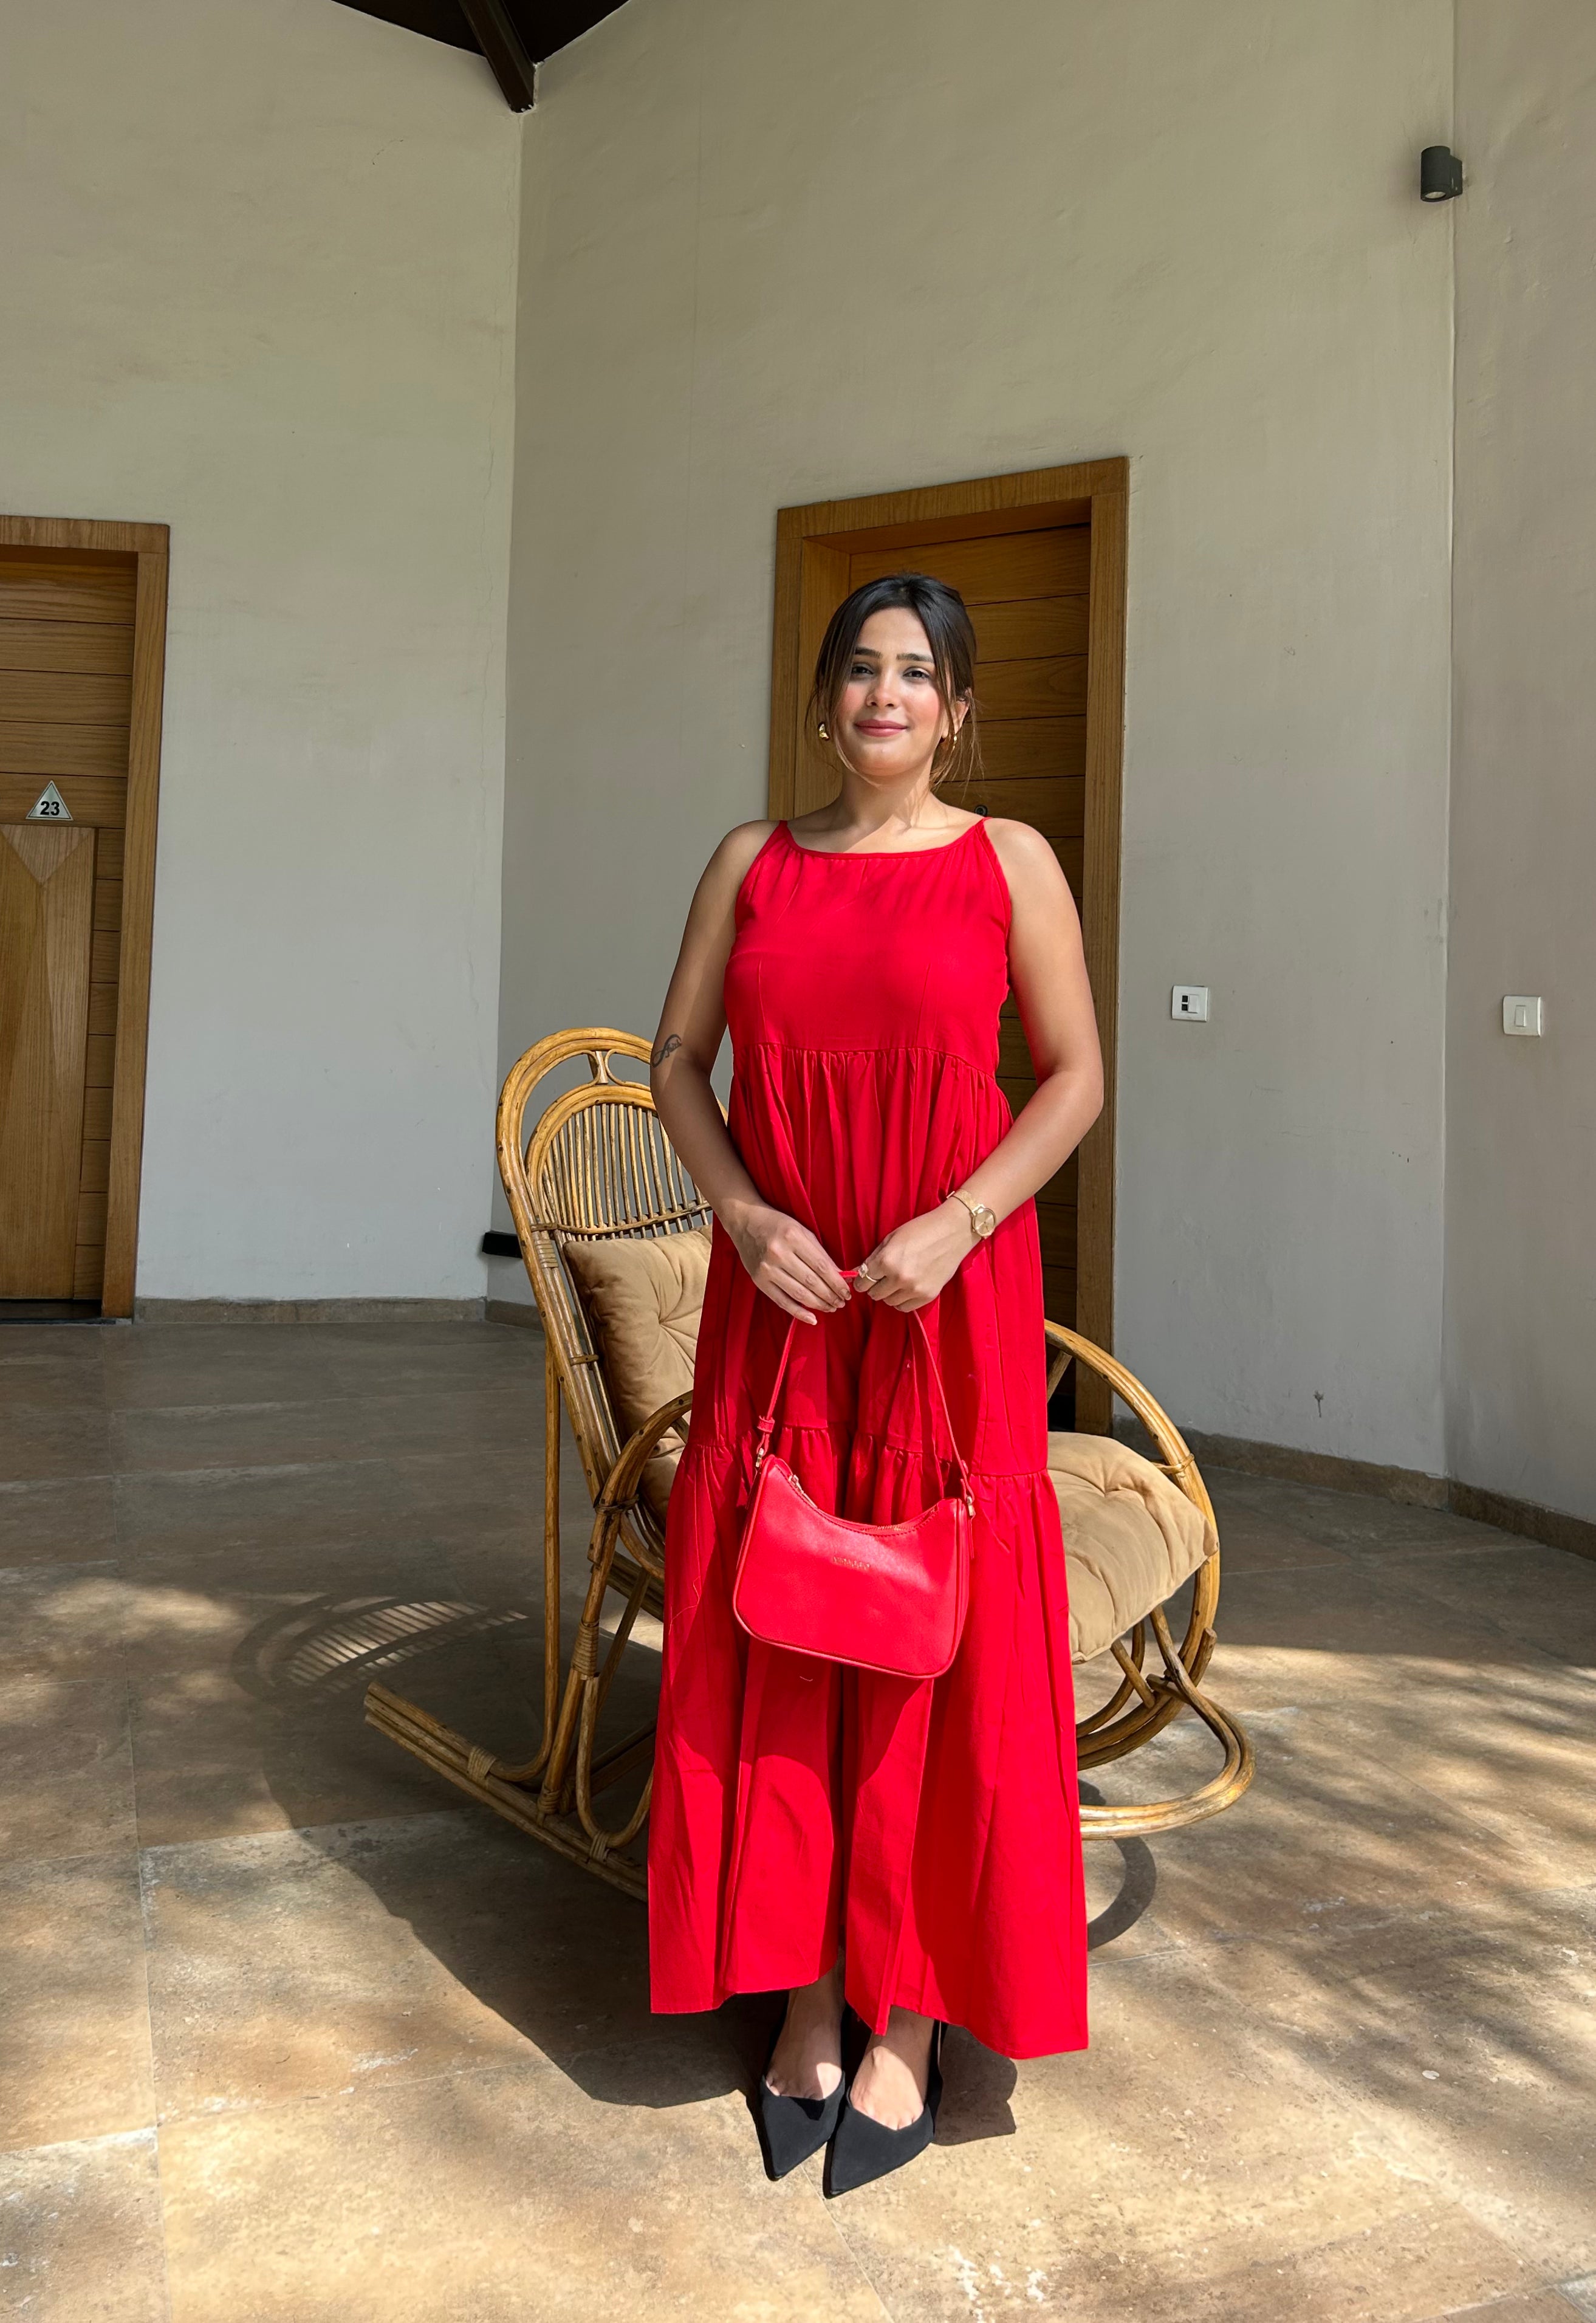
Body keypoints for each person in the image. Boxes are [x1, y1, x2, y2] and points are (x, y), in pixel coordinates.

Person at [645, 571, 1103, 2194]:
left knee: (931, 1635)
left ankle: (907, 2016)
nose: (885, 694)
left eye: (916, 673)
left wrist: (961, 1222)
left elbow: (1074, 1078)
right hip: (787, 1301)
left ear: (955, 711)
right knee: (786, 1620)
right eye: (860, 668)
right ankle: (805, 1993)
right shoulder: (749, 862)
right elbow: (674, 1062)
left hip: (943, 1301)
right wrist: (742, 1214)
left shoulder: (1010, 861)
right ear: (825, 701)